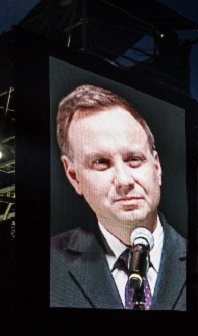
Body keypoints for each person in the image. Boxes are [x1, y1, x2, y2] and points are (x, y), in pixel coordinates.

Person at [50, 84, 187, 310]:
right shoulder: (50, 263)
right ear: (73, 176)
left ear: (157, 167)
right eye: (101, 163)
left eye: (134, 159)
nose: (124, 181)